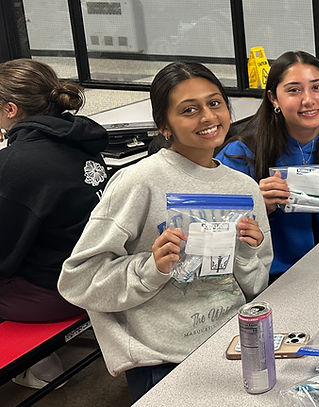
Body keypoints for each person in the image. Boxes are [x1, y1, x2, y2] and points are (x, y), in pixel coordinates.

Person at [58, 62, 273, 402]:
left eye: (214, 103)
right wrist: (152, 267)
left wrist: (245, 254)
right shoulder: (138, 182)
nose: (208, 117)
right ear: (164, 126)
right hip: (163, 359)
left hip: (232, 341)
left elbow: (256, 286)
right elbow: (78, 280)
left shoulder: (244, 188)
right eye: (189, 110)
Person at [0, 59, 109, 388]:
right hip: (99, 276)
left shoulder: (18, 163)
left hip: (57, 293)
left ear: (10, 109)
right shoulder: (81, 140)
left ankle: (41, 367)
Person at [218, 51, 319, 278]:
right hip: (265, 282)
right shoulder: (240, 154)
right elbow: (215, 233)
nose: (308, 100)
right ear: (274, 99)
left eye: (317, 87)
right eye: (294, 90)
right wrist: (259, 208)